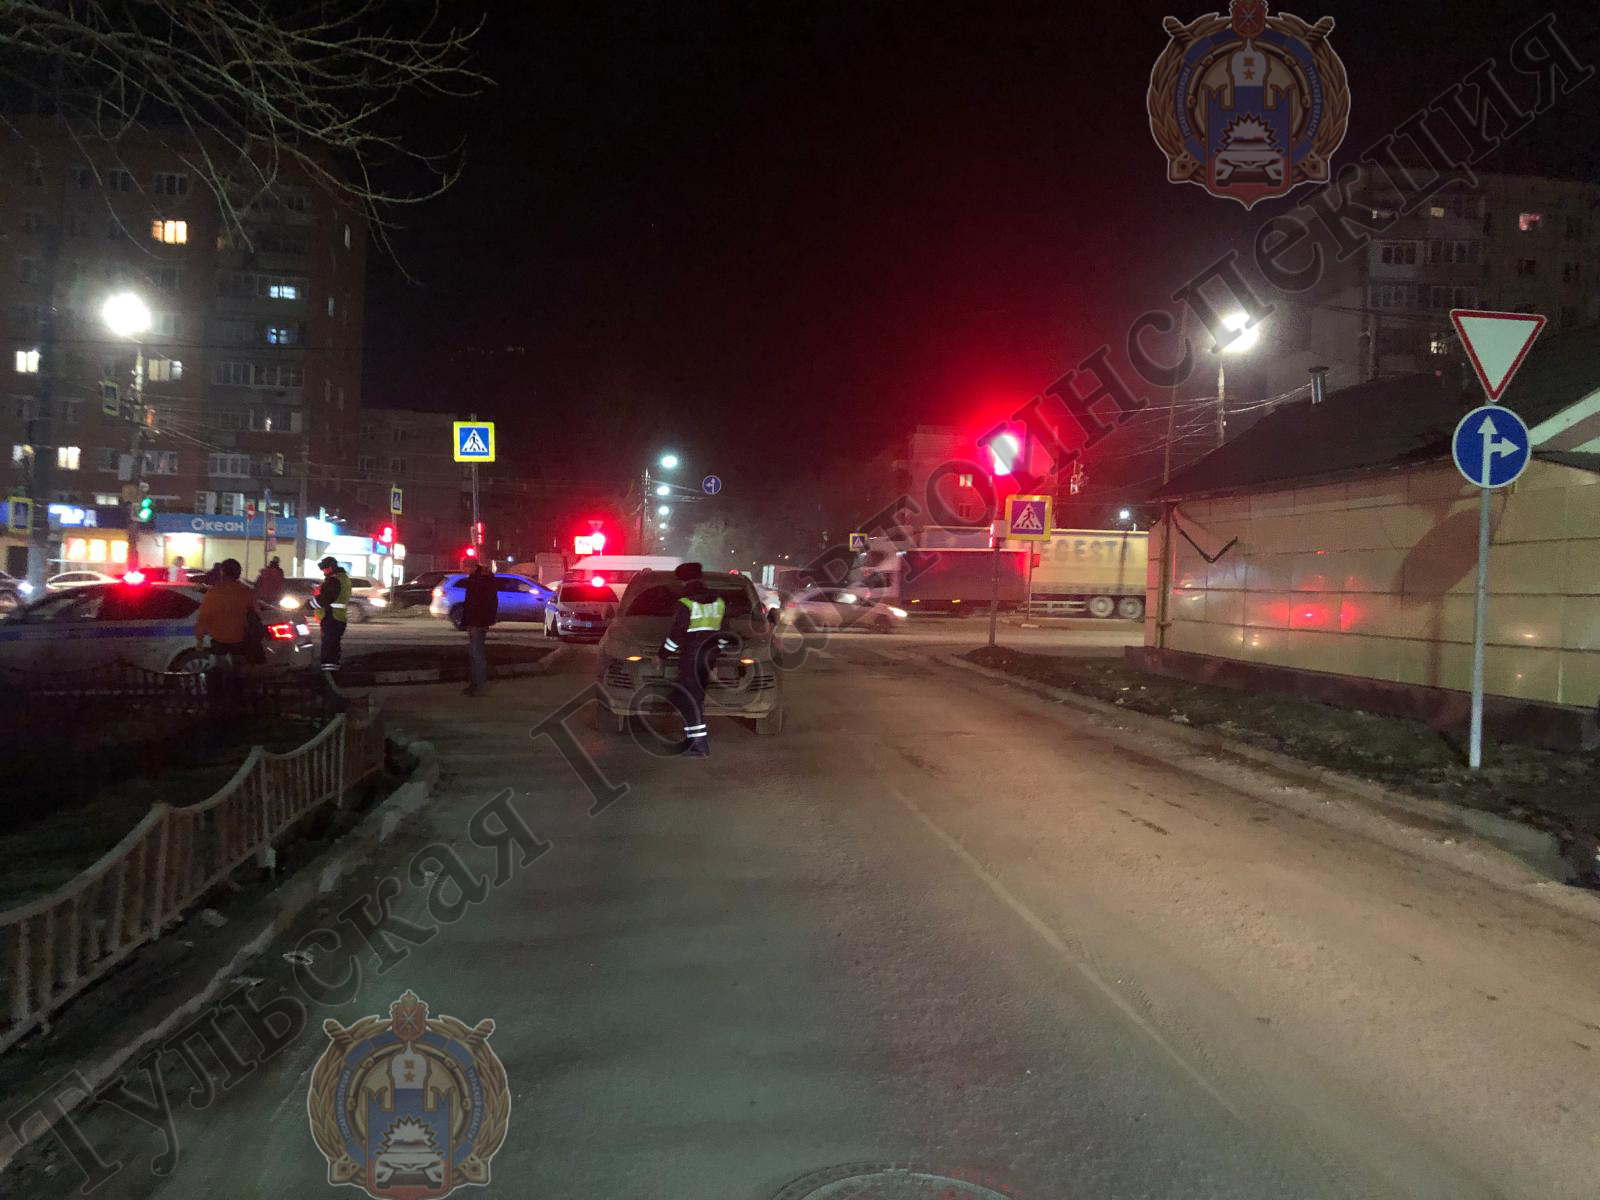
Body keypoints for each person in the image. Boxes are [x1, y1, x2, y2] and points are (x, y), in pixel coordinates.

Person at [658, 562, 726, 758]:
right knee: (693, 697)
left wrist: (661, 655)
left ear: (682, 581)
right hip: (708, 657)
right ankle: (694, 740)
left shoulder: (686, 603)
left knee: (691, 700)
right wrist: (715, 653)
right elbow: (725, 633)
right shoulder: (719, 602)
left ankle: (699, 745)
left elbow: (677, 636)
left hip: (691, 658)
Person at [192, 558, 263, 666]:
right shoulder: (245, 592)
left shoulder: (214, 593)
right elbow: (256, 611)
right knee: (238, 669)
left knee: (220, 669)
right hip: (239, 639)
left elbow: (204, 616)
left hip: (219, 640)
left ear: (223, 572)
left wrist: (199, 639)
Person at [459, 560, 498, 696]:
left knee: (477, 653)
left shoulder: (482, 579)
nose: (464, 571)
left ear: (472, 567)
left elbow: (485, 602)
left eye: (465, 568)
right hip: (475, 620)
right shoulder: (478, 578)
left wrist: (484, 620)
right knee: (474, 652)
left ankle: (479, 684)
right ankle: (475, 682)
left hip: (478, 621)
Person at [314, 556, 352, 672]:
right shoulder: (343, 578)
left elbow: (326, 598)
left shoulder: (334, 580)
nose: (323, 572)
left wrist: (307, 605)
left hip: (331, 617)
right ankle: (333, 671)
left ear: (330, 568)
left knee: (328, 647)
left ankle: (328, 674)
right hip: (338, 618)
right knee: (334, 646)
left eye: (324, 569)